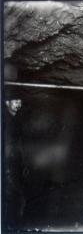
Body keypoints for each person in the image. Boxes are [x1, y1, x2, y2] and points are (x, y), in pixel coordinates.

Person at [3, 90, 26, 230]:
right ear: (7, 103)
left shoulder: (15, 120)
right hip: (7, 167)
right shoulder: (5, 120)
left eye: (20, 102)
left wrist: (23, 164)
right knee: (12, 196)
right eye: (16, 102)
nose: (19, 105)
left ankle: (13, 225)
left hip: (14, 164)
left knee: (18, 197)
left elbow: (18, 145)